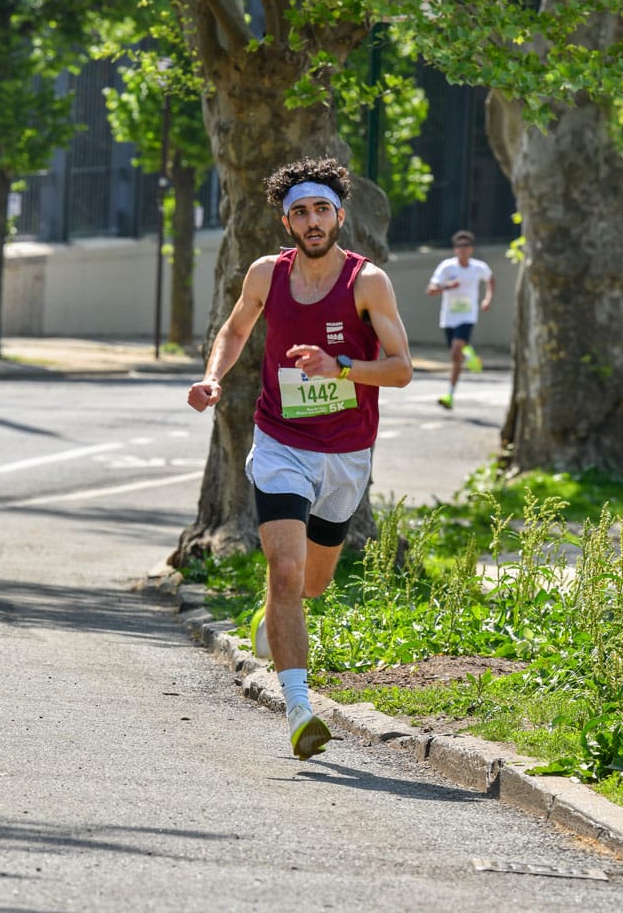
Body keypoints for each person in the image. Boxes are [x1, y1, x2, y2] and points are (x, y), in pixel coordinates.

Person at [187, 157, 412, 761]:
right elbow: (235, 331)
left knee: (312, 582)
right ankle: (299, 709)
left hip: (346, 452)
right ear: (286, 222)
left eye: (321, 210)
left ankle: (273, 616)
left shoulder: (368, 282)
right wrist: (212, 378)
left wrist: (341, 367)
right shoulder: (266, 274)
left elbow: (402, 370)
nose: (312, 222)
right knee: (284, 570)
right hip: (282, 439)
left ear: (340, 214)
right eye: (299, 213)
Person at [426, 230, 494, 410]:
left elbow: (490, 279)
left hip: (467, 316)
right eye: (459, 246)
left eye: (466, 246)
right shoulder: (447, 267)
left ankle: (450, 390)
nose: (463, 249)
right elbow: (431, 289)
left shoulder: (478, 267)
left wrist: (487, 298)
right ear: (455, 249)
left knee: (456, 348)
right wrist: (447, 286)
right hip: (449, 317)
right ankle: (452, 392)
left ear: (471, 249)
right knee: (455, 357)